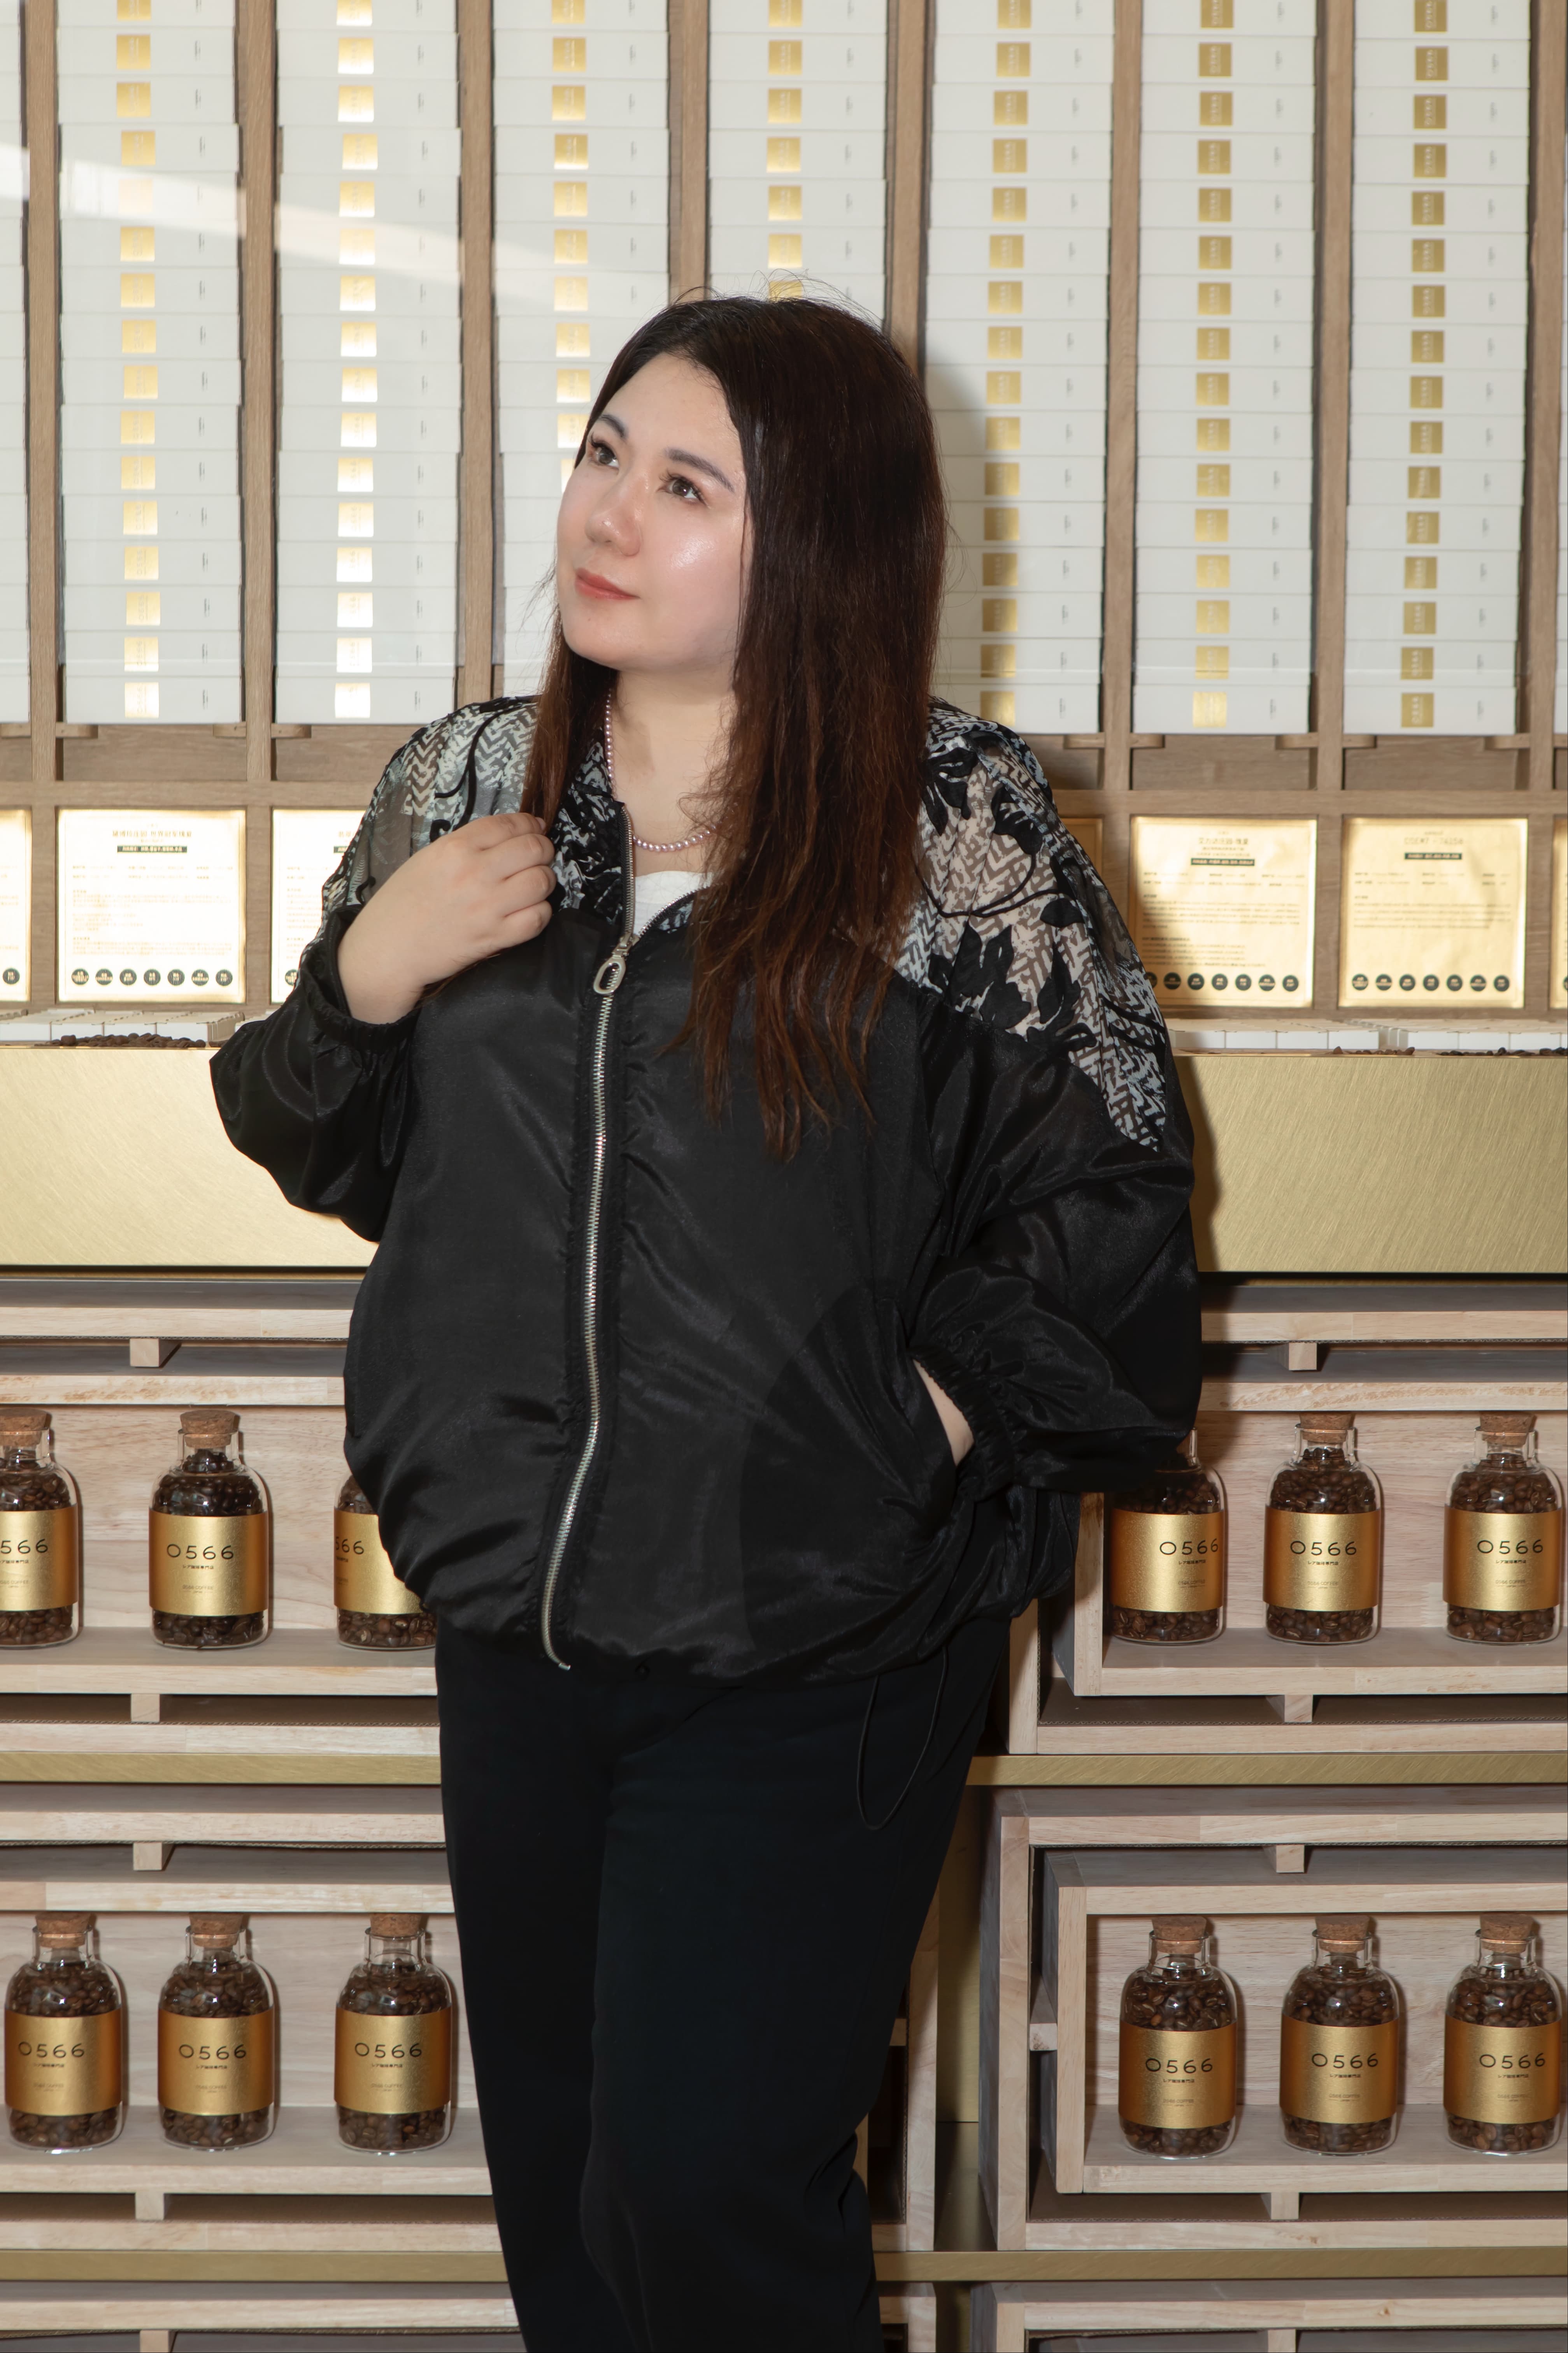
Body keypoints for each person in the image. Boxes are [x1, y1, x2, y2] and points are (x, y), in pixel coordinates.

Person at [213, 295, 1200, 2352]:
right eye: (603, 454)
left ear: (815, 540)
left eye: (686, 485)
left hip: (813, 1636)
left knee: (708, 2191)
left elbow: (1111, 1201)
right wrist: (369, 981)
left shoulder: (948, 832)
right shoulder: (466, 787)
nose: (610, 515)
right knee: (571, 2202)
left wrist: (905, 1433)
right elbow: (336, 1148)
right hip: (525, 1616)